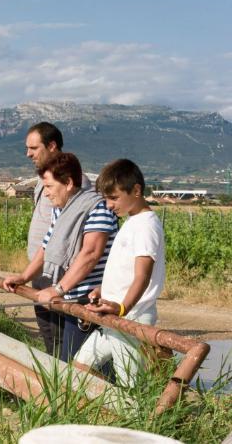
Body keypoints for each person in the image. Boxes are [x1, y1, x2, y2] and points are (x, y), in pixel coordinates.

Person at [2, 153, 118, 361]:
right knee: (71, 362)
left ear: (68, 183)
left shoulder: (96, 207)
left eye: (49, 186)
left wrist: (58, 289)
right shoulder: (63, 209)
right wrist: (24, 277)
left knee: (80, 367)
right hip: (69, 297)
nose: (45, 193)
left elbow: (90, 254)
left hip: (89, 301)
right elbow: (46, 246)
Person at [74, 159, 165, 387]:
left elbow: (142, 276)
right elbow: (124, 271)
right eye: (106, 199)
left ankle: (133, 419)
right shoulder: (133, 221)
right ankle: (104, 409)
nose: (109, 205)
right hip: (115, 315)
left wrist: (123, 306)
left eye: (113, 198)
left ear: (136, 190)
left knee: (130, 384)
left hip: (131, 316)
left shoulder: (145, 225)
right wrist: (102, 290)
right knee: (80, 366)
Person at [23, 122, 93, 356]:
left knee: (64, 338)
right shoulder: (43, 181)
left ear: (52, 146)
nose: (28, 154)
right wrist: (27, 273)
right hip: (41, 269)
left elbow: (79, 240)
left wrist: (61, 284)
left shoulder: (73, 183)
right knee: (49, 334)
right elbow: (50, 234)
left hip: (61, 275)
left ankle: (65, 382)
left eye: (33, 148)